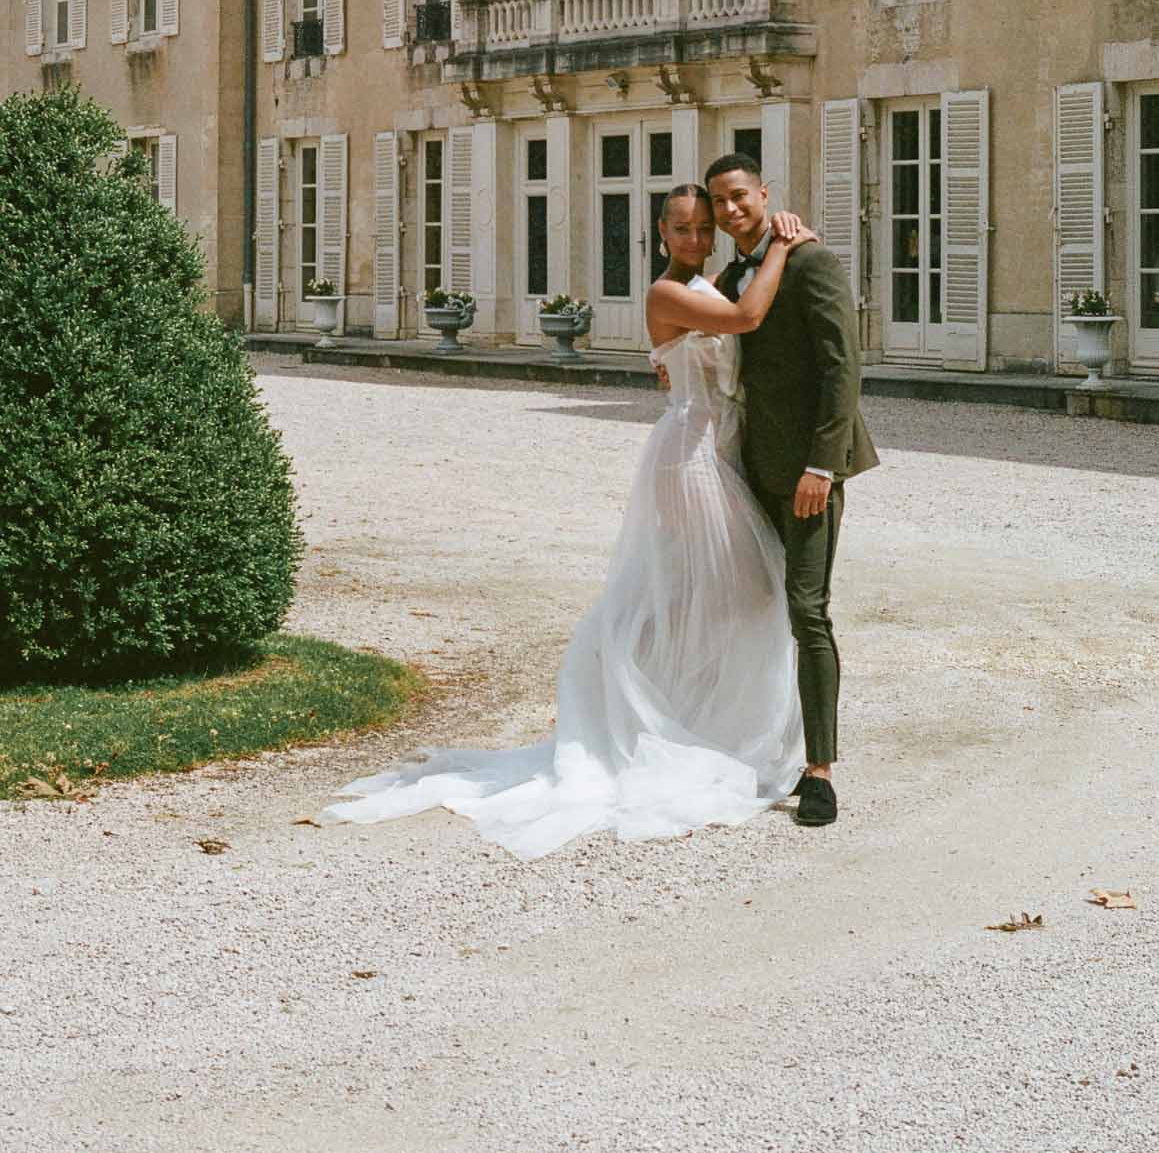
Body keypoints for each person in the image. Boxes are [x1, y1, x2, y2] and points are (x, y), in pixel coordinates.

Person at [320, 186, 817, 860]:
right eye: (683, 228)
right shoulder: (666, 292)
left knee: (719, 593)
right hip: (690, 453)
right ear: (661, 233)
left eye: (705, 227)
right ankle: (640, 712)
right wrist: (782, 243)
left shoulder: (707, 281)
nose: (697, 238)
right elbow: (747, 317)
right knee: (718, 589)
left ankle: (690, 718)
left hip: (719, 447)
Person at [707, 153, 879, 831]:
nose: (730, 210)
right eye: (719, 202)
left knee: (808, 612)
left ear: (764, 194)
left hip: (808, 473)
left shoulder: (811, 262)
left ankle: (820, 772)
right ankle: (754, 744)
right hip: (748, 469)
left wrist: (823, 466)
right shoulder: (730, 279)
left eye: (740, 196)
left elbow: (843, 369)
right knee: (749, 609)